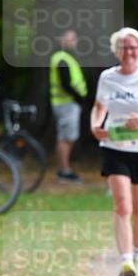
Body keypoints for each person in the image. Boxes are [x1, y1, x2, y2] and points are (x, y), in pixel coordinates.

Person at [90, 28, 138, 276]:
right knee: (123, 205)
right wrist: (96, 125)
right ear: (116, 51)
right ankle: (125, 262)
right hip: (115, 146)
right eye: (124, 47)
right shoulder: (107, 77)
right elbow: (99, 106)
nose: (129, 52)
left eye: (133, 47)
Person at [49, 29, 88, 182]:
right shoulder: (62, 59)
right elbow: (66, 83)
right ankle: (64, 170)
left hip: (65, 103)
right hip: (66, 103)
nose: (73, 42)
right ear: (61, 40)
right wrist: (78, 98)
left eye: (74, 39)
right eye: (70, 39)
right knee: (66, 138)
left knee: (64, 137)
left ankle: (64, 169)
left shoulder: (65, 57)